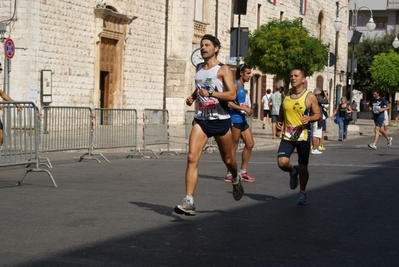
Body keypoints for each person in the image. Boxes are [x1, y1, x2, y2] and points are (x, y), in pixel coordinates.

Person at [174, 34, 243, 216]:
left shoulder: (223, 69)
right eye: (201, 45)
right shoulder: (198, 67)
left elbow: (231, 96)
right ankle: (189, 200)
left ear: (216, 48)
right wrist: (193, 96)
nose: (203, 48)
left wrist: (211, 93)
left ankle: (235, 177)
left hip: (220, 120)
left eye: (207, 45)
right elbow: (200, 88)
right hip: (202, 119)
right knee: (191, 157)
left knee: (228, 160)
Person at [276, 67, 321, 205]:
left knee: (303, 168)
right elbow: (282, 109)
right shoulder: (287, 94)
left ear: (303, 79)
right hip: (288, 136)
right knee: (282, 162)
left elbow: (317, 114)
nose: (293, 78)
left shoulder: (309, 96)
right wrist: (280, 121)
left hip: (303, 136)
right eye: (291, 76)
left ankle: (302, 193)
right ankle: (292, 170)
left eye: (296, 76)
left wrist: (309, 119)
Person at [224, 64, 256, 183]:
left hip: (242, 119)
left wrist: (246, 108)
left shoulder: (243, 87)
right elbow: (229, 103)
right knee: (234, 146)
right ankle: (229, 172)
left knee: (250, 143)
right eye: (248, 73)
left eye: (250, 73)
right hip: (234, 119)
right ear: (241, 74)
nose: (250, 75)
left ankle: (243, 171)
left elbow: (240, 103)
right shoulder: (234, 85)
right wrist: (244, 109)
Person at [310, 88, 329, 154]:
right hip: (317, 118)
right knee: (316, 134)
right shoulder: (318, 99)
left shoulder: (311, 98)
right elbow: (327, 101)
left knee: (313, 133)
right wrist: (326, 95)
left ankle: (313, 147)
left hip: (312, 117)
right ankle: (314, 148)